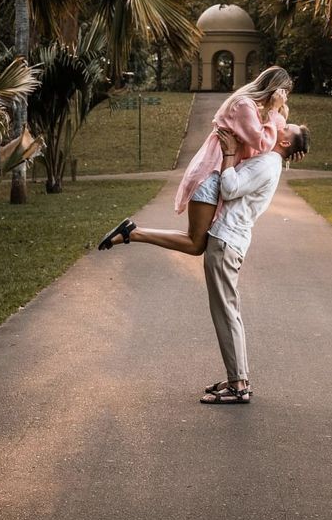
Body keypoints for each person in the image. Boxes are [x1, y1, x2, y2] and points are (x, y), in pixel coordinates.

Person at [98, 66, 295, 255]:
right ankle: (132, 233)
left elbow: (269, 143)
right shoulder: (243, 105)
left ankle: (131, 232)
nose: (284, 100)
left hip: (216, 176)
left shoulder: (251, 109)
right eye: (283, 94)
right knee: (195, 244)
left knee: (196, 242)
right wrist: (274, 111)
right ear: (275, 90)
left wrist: (290, 147)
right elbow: (262, 142)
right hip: (210, 177)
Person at [198, 122, 310, 404]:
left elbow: (230, 188)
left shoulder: (268, 164)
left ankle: (238, 385)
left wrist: (228, 155)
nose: (281, 125)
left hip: (225, 242)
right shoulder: (271, 160)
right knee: (229, 312)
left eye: (287, 128)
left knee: (226, 314)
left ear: (284, 144)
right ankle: (239, 377)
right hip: (229, 241)